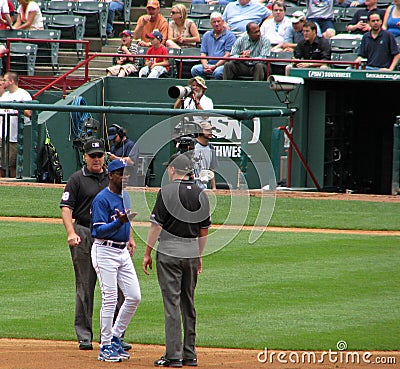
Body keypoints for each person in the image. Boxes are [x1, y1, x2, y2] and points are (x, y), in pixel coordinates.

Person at [60, 138, 131, 352]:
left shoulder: (114, 179)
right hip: (84, 232)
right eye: (93, 156)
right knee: (85, 285)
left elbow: (125, 211)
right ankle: (84, 335)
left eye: (100, 155)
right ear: (85, 157)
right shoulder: (76, 179)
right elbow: (66, 208)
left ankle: (114, 335)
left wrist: (130, 239)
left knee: (118, 289)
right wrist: (71, 232)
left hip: (113, 236)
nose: (97, 160)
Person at [142, 153, 211, 368]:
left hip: (170, 251)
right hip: (191, 250)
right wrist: (198, 255)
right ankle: (190, 355)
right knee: (188, 303)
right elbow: (203, 230)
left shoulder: (167, 191)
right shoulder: (201, 193)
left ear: (173, 170)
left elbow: (156, 227)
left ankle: (173, 355)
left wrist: (147, 253)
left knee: (172, 304)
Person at [91, 158, 141, 362]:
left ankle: (115, 336)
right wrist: (118, 223)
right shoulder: (101, 199)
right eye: (121, 173)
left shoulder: (126, 196)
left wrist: (129, 237)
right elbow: (97, 230)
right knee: (110, 299)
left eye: (127, 173)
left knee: (134, 296)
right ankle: (105, 345)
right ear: (110, 175)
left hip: (122, 252)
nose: (125, 177)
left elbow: (126, 223)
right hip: (105, 252)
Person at [0, 72, 32, 178]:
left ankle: (15, 184)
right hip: (2, 135)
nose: (3, 82)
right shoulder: (5, 95)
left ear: (11, 81)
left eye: (5, 80)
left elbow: (30, 113)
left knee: (12, 165)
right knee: (1, 165)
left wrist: (18, 108)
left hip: (15, 136)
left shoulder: (23, 94)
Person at [191, 12, 236, 80]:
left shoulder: (230, 36)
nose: (216, 24)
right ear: (211, 24)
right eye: (214, 22)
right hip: (209, 64)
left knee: (217, 73)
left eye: (218, 21)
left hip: (222, 65)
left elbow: (228, 54)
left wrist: (215, 66)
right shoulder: (207, 35)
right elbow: (203, 53)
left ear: (223, 22)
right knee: (195, 69)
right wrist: (205, 66)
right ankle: (204, 87)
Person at [194, 121, 218, 190]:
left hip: (204, 188)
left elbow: (211, 169)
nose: (210, 132)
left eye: (211, 130)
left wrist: (214, 187)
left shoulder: (211, 147)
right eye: (207, 130)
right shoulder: (192, 144)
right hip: (191, 187)